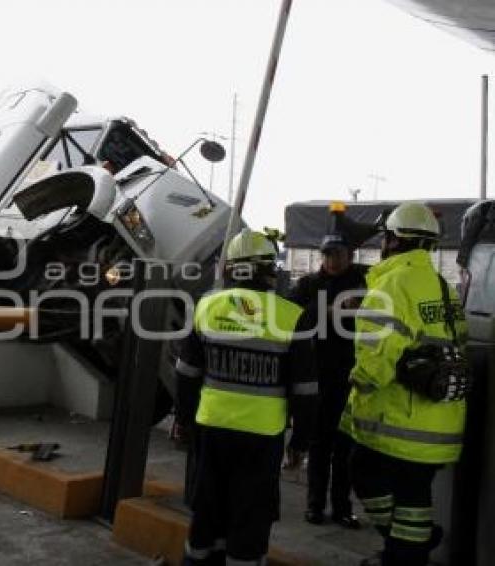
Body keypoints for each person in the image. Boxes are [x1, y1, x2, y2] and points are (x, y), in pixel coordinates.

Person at [174, 228, 318, 566]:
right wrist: (300, 442)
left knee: (207, 512)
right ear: (268, 269)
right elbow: (306, 391)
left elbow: (186, 375)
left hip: (210, 430)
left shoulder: (207, 306)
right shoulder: (290, 316)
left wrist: (183, 420)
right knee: (250, 517)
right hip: (261, 438)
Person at [339, 202, 469, 566]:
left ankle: (408, 551)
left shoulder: (394, 282)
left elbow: (378, 355)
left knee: (363, 472)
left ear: (395, 240)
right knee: (414, 494)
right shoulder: (440, 285)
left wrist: (358, 384)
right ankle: (406, 548)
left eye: (386, 237)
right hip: (440, 417)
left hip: (402, 421)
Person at [287, 233, 366, 528]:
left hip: (352, 377)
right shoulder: (308, 284)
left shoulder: (363, 280)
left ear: (350, 254)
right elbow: (291, 315)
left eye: (338, 254)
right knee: (319, 444)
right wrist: (330, 311)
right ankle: (315, 506)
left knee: (345, 446)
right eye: (327, 255)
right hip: (317, 376)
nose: (332, 260)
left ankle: (343, 508)